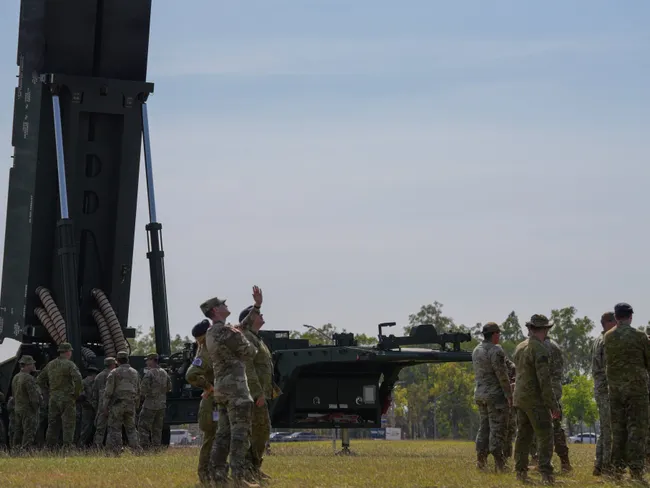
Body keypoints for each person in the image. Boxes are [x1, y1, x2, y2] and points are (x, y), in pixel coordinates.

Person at [202, 286, 261, 488]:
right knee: (240, 434)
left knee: (223, 435)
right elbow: (250, 351)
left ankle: (217, 476)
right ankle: (238, 478)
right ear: (215, 310)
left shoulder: (213, 332)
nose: (226, 305)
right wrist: (249, 344)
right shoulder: (226, 332)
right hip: (237, 391)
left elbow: (241, 327)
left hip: (222, 390)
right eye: (222, 304)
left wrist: (256, 306)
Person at [604, 302, 650, 482]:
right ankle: (636, 471)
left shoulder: (608, 337)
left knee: (618, 430)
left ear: (616, 317)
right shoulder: (640, 336)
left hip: (615, 391)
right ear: (631, 316)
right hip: (636, 391)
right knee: (637, 429)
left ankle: (617, 470)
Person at [512, 314, 559, 485]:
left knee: (523, 436)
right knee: (545, 435)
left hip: (520, 399)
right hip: (535, 400)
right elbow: (544, 381)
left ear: (531, 328)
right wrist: (553, 404)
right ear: (545, 329)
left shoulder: (520, 347)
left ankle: (520, 472)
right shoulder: (540, 349)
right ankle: (546, 474)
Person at [239, 303, 279, 481]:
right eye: (258, 314)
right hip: (253, 394)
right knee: (256, 431)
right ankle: (248, 469)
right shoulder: (247, 337)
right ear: (250, 318)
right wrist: (257, 393)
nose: (262, 316)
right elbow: (248, 368)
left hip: (262, 393)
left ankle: (254, 468)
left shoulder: (257, 338)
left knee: (262, 431)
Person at [471, 322, 512, 472]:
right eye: (498, 333)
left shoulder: (476, 350)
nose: (499, 336)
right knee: (497, 429)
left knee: (484, 428)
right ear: (494, 334)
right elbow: (502, 375)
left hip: (480, 394)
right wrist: (509, 395)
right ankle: (500, 464)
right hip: (495, 396)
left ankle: (481, 461)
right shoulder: (496, 350)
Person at [185, 319, 217, 484]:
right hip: (213, 403)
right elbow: (191, 375)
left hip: (216, 400)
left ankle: (214, 473)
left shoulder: (211, 348)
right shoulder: (205, 351)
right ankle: (205, 475)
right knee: (212, 438)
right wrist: (209, 387)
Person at [36, 342, 83, 448]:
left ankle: (50, 447)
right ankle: (67, 447)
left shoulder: (50, 364)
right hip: (67, 398)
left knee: (53, 424)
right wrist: (76, 394)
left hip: (53, 398)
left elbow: (39, 380)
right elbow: (78, 379)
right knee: (68, 424)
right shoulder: (70, 364)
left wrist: (47, 391)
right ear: (68, 352)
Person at [592, 311, 616, 476]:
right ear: (608, 322)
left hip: (600, 389)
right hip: (606, 389)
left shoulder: (597, 339)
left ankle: (599, 465)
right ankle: (607, 467)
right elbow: (609, 367)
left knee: (605, 428)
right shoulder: (607, 340)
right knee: (609, 431)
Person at [102, 351, 140, 454]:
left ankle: (116, 451)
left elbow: (108, 391)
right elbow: (138, 390)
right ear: (127, 359)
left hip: (117, 405)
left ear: (117, 361)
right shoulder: (135, 372)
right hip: (131, 404)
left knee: (115, 428)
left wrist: (105, 406)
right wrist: (136, 405)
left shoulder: (114, 372)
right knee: (131, 428)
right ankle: (136, 450)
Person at [138, 353, 172, 450]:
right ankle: (156, 448)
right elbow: (169, 388)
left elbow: (143, 390)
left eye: (147, 360)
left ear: (152, 360)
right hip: (161, 405)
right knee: (157, 428)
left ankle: (145, 448)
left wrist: (140, 401)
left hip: (149, 405)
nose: (146, 362)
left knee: (143, 426)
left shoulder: (149, 373)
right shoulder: (164, 373)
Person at [10, 355, 42, 450]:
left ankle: (16, 450)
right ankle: (25, 450)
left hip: (18, 408)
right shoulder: (28, 378)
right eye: (32, 364)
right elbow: (33, 397)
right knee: (29, 432)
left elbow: (14, 394)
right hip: (28, 410)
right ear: (28, 365)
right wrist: (36, 409)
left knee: (18, 431)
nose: (33, 366)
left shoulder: (16, 377)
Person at [92, 357, 117, 447]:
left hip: (101, 406)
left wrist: (96, 408)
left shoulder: (99, 376)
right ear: (113, 364)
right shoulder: (116, 375)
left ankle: (97, 446)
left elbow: (94, 394)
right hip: (114, 404)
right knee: (113, 427)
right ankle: (112, 446)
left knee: (100, 429)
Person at [77, 366, 98, 448]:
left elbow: (80, 395)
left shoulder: (83, 381)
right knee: (97, 426)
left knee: (85, 426)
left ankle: (81, 444)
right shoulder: (97, 380)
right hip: (96, 406)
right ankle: (94, 444)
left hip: (87, 406)